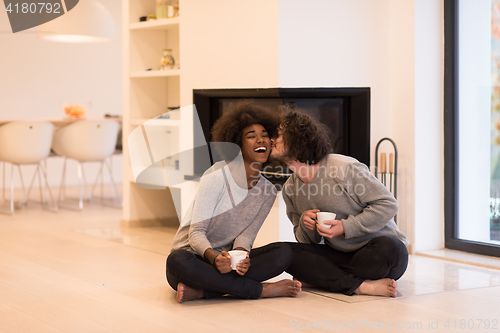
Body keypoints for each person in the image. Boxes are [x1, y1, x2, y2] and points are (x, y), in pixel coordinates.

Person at [166, 101, 302, 303]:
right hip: (196, 259)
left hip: (229, 263)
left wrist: (241, 258)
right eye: (251, 136)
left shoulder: (268, 191)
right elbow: (195, 233)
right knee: (176, 260)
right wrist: (214, 258)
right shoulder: (216, 176)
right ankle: (260, 290)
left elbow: (246, 236)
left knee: (283, 252)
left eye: (264, 135)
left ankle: (206, 292)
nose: (260, 140)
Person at [270, 109, 409, 298]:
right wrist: (305, 223)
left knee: (390, 249)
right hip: (340, 255)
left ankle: (324, 278)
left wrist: (345, 227)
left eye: (278, 133)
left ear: (297, 138)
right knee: (287, 253)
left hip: (378, 252)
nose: (271, 138)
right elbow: (307, 242)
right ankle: (361, 286)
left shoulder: (343, 168)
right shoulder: (290, 189)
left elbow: (388, 204)